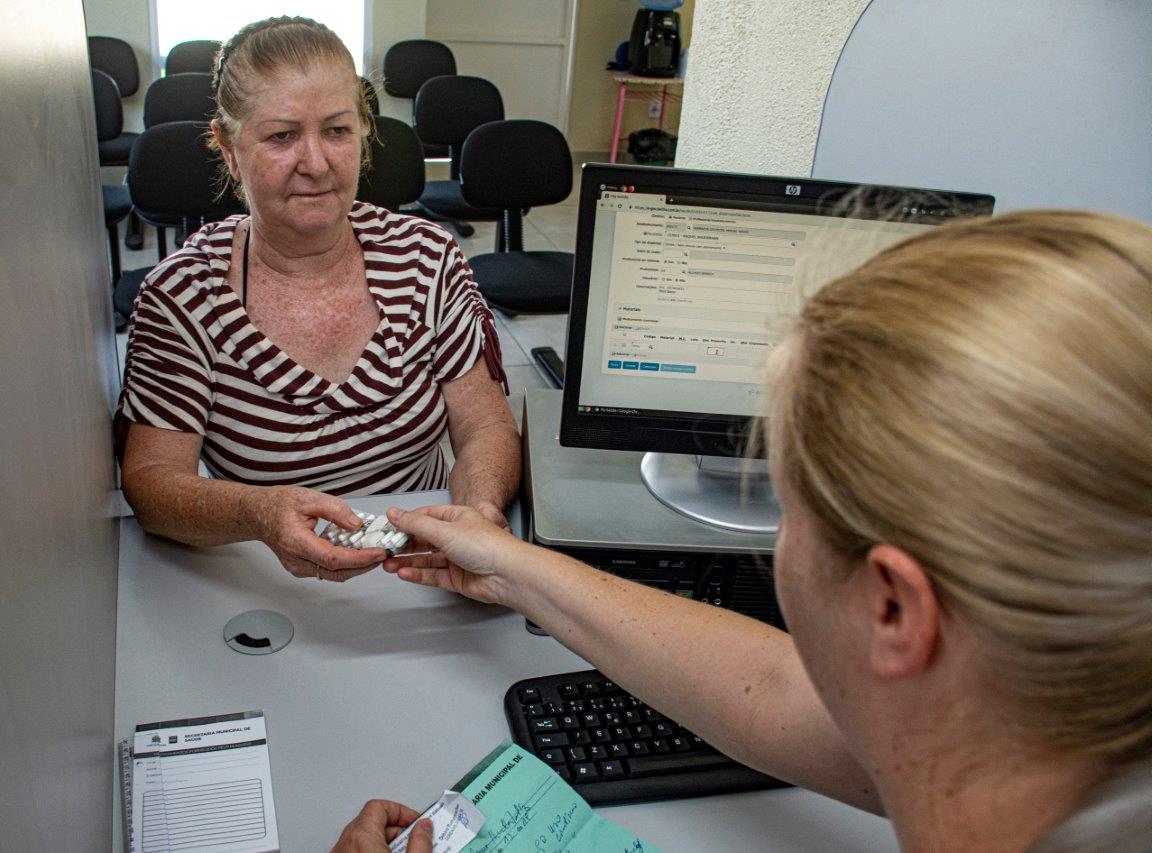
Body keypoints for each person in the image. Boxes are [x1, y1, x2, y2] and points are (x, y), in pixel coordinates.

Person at [358, 211, 1151, 850]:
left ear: (894, 609)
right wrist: (510, 565)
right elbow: (774, 690)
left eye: (789, 498)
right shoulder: (1030, 737)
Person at [115, 17, 519, 582]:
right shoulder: (184, 295)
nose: (317, 162)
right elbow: (153, 480)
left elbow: (484, 426)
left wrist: (478, 515)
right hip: (266, 585)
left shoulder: (428, 258)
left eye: (336, 130)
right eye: (282, 136)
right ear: (230, 151)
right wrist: (256, 513)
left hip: (426, 573)